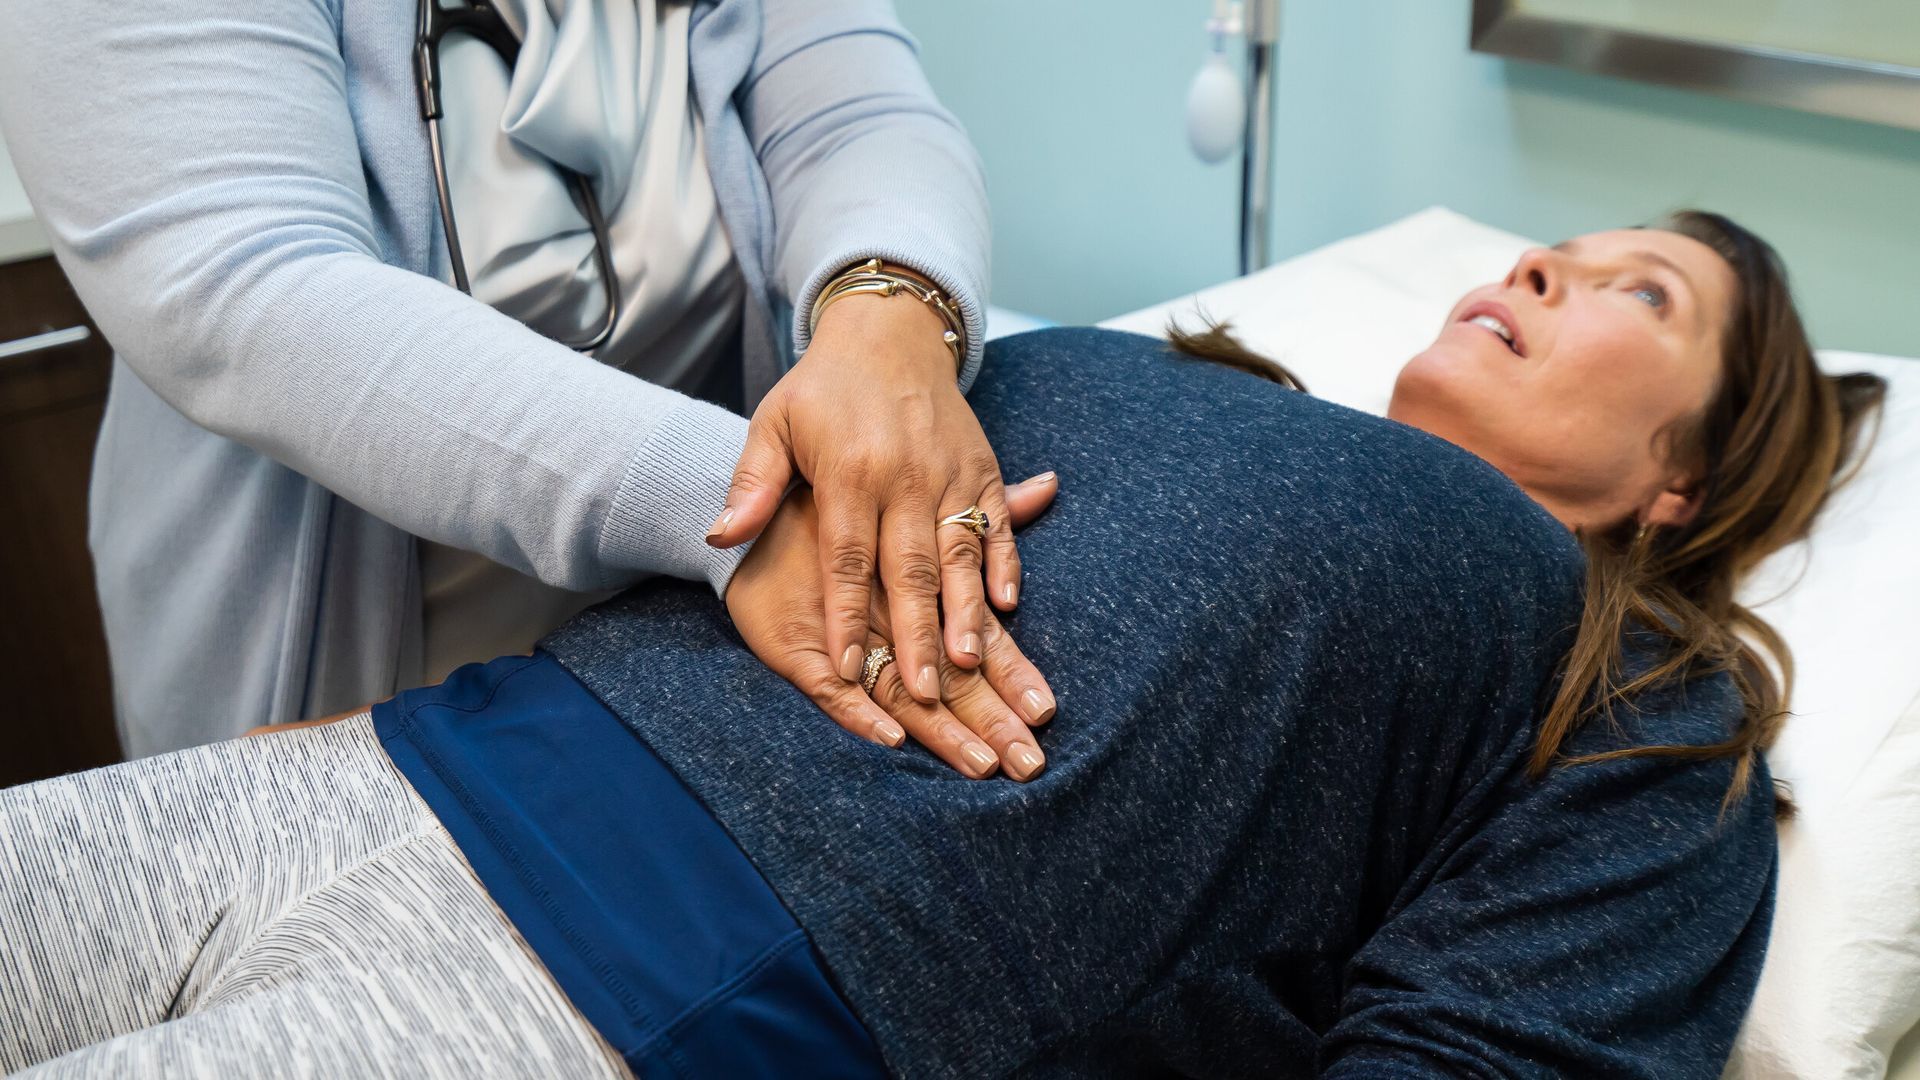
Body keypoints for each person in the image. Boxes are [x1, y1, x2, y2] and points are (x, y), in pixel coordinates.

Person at [0, 215, 1886, 1077]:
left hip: (659, 984)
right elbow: (741, 537)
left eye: (1648, 293)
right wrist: (355, 730)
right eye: (1563, 243)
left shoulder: (1631, 690)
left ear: (1683, 488)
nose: (1546, 266)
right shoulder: (1147, 373)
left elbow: (1497, 1056)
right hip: (410, 767)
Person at [0, 0, 1039, 766]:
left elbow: (856, 114)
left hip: (697, 626)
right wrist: (734, 507)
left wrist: (888, 313)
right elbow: (247, 293)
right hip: (364, 675)